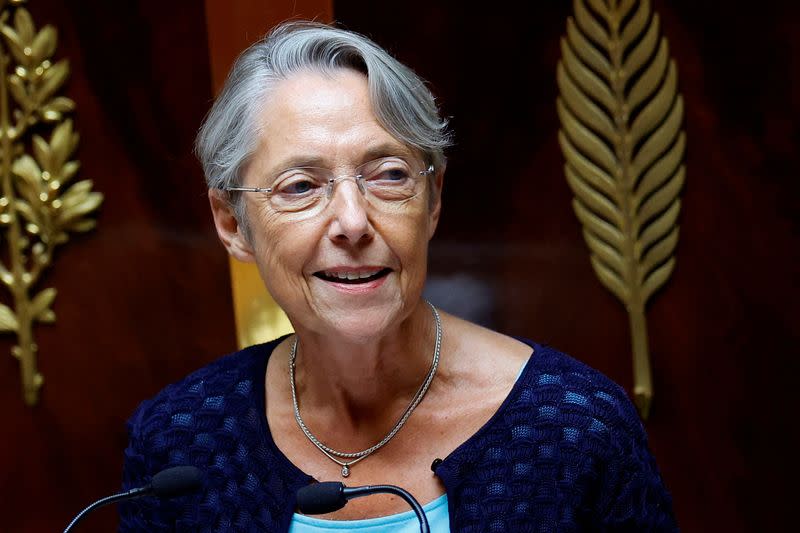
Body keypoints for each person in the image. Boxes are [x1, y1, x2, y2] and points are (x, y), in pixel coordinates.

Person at [119, 21, 677, 532]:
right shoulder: (181, 441)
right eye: (300, 186)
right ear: (231, 223)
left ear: (432, 201)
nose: (354, 222)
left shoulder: (576, 430)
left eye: (388, 175)